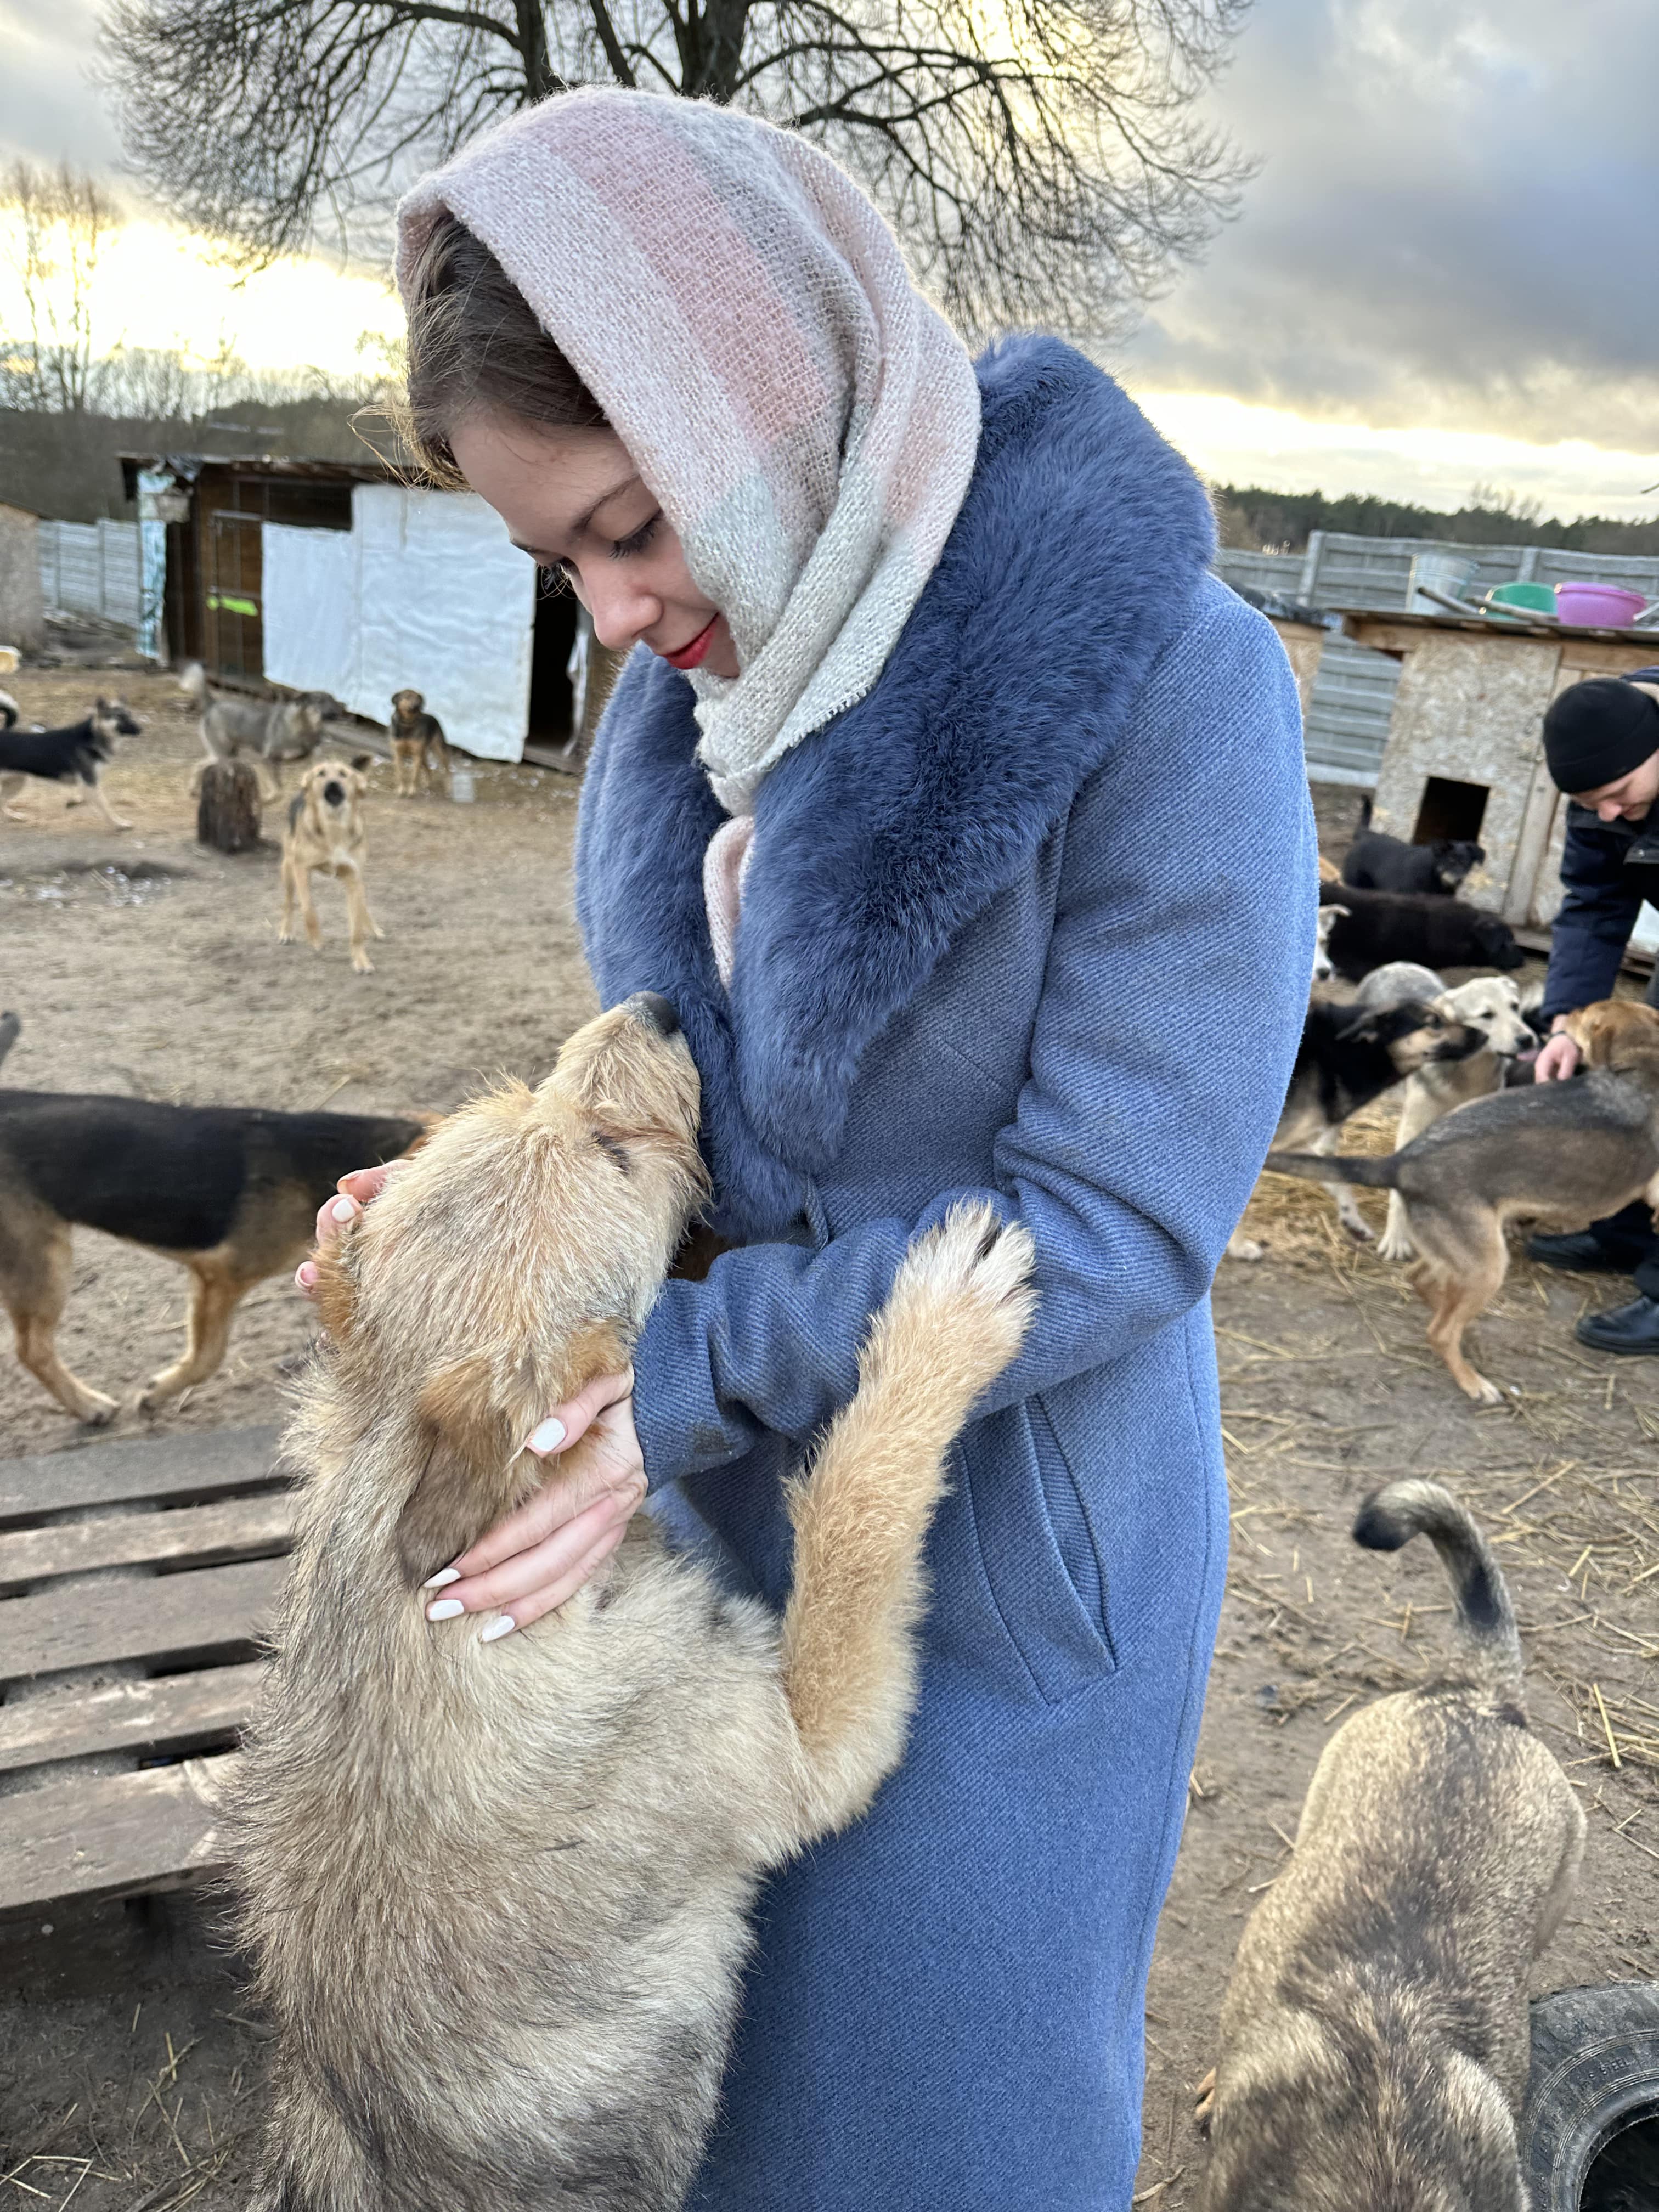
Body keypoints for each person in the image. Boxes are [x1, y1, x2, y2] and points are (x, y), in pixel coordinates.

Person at [298, 89, 1314, 2209]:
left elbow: (1113, 1225)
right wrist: (483, 1253)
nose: (606, 611)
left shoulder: (1166, 691)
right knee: (705, 2130)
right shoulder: (683, 702)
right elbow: (691, 1116)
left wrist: (651, 1385)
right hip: (682, 1540)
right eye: (552, 558)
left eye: (623, 521)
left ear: (752, 399)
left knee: (934, 2133)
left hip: (993, 1550)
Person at [1527, 668, 1659, 1352]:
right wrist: (1567, 1021)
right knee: (1636, 1083)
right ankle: (1624, 1232)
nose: (1606, 813)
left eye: (1618, 795)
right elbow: (1596, 904)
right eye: (1589, 802)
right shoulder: (1602, 791)